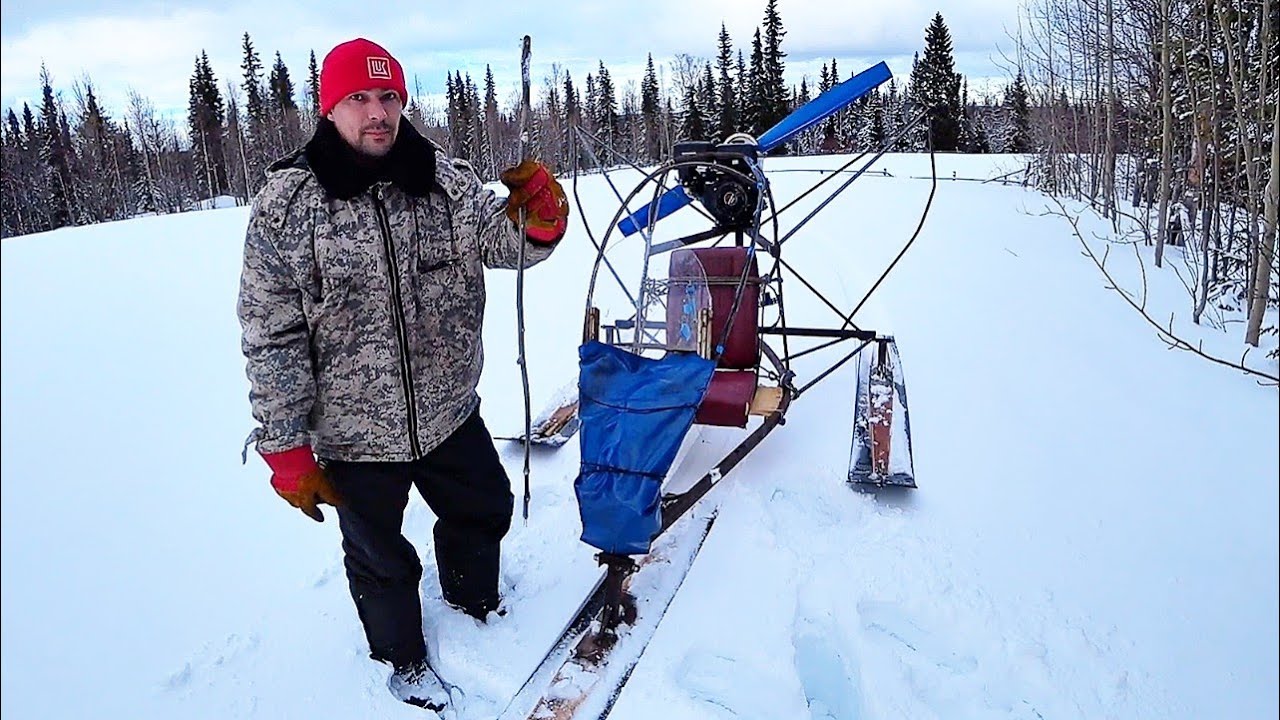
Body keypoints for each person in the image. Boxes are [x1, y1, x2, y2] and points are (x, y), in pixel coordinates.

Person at [236, 37, 569, 711]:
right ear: (330, 108)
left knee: (484, 509)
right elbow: (271, 334)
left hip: (449, 411)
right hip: (353, 435)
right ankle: (401, 661)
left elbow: (502, 240)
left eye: (388, 96)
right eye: (358, 98)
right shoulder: (287, 207)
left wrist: (539, 221)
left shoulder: (443, 181)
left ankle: (473, 602)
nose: (377, 113)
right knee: (379, 560)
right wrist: (285, 445)